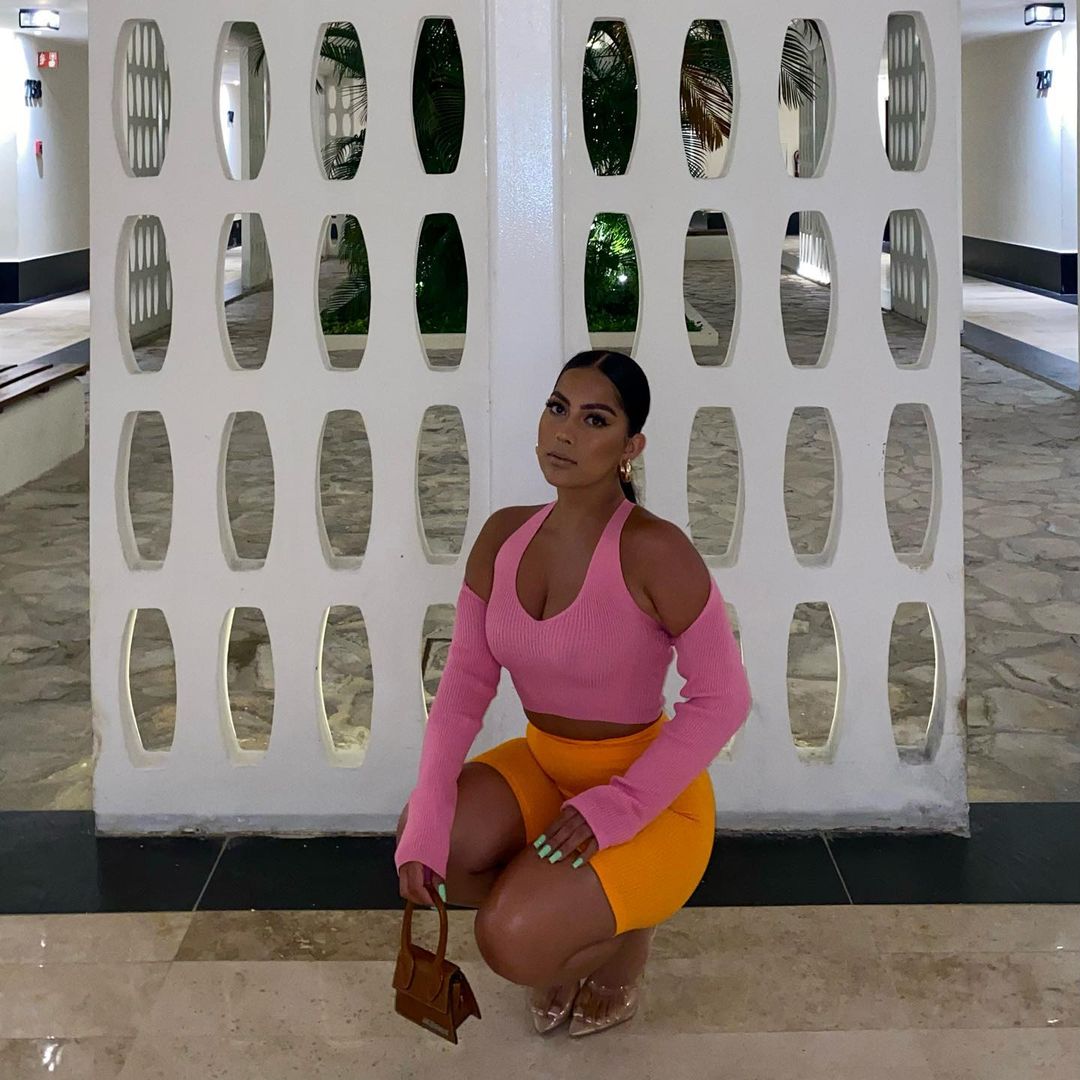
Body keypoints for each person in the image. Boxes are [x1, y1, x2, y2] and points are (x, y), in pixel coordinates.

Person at [394, 349, 751, 1037]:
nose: (564, 432)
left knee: (512, 941)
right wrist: (431, 809)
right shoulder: (502, 535)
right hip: (545, 765)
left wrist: (618, 807)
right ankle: (570, 913)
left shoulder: (656, 551)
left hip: (651, 799)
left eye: (595, 419)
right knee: (431, 840)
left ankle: (624, 940)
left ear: (631, 446)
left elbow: (723, 698)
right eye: (557, 408)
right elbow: (465, 683)